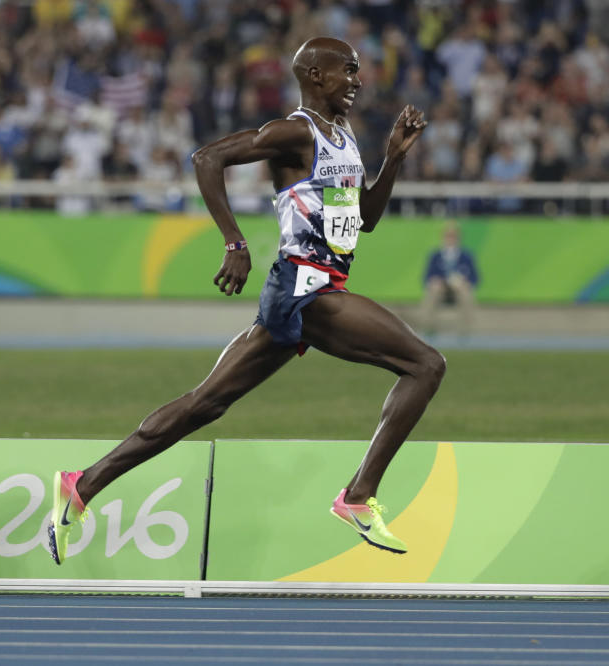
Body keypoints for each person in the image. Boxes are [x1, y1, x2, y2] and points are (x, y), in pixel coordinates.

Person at [48, 37, 445, 563]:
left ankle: (81, 486)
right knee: (425, 364)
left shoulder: (343, 137)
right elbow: (207, 158)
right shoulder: (294, 132)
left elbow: (364, 220)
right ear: (316, 76)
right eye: (347, 70)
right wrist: (234, 242)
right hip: (306, 287)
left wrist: (392, 159)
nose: (357, 80)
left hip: (311, 289)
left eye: (358, 71)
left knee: (204, 405)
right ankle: (356, 496)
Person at [421, 222, 480, 336]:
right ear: (443, 237)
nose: (451, 238)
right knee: (431, 292)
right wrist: (433, 282)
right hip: (441, 288)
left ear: (458, 238)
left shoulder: (466, 256)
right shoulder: (435, 255)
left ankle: (465, 331)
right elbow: (427, 277)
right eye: (448, 235)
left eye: (453, 236)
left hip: (458, 288)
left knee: (466, 293)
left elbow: (475, 277)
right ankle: (429, 329)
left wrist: (467, 283)